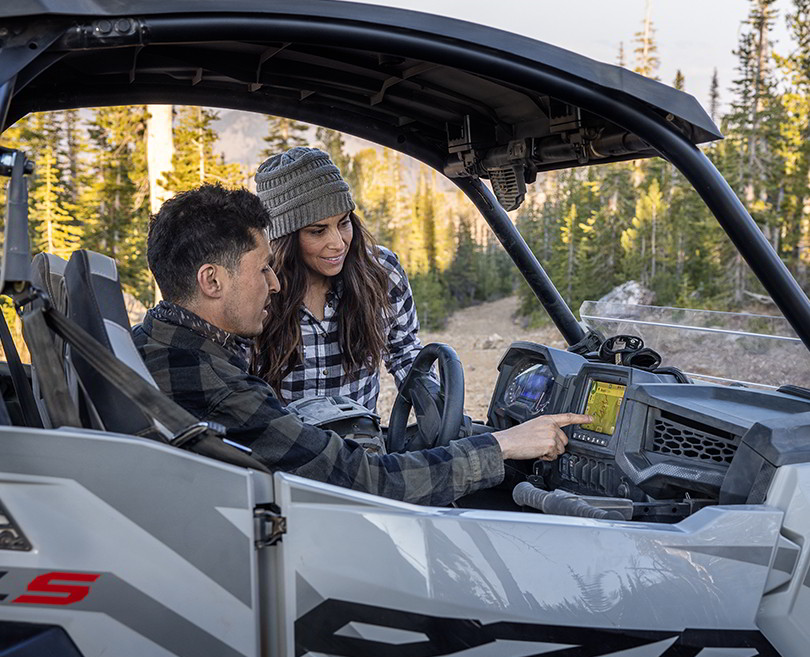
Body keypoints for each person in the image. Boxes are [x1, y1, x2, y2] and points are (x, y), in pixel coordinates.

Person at [133, 183, 591, 506]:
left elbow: (406, 359)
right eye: (262, 269)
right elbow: (363, 481)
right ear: (212, 280)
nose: (273, 285)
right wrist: (501, 446)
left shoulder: (165, 343)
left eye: (344, 223)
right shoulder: (217, 382)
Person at [252, 146, 431, 413]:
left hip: (361, 448)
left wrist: (435, 406)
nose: (338, 243)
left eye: (344, 223)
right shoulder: (257, 287)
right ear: (284, 239)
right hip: (286, 450)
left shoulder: (382, 271)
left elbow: (405, 351)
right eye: (317, 231)